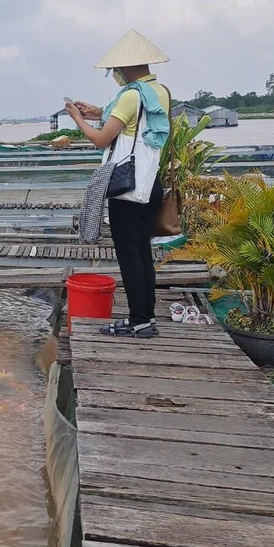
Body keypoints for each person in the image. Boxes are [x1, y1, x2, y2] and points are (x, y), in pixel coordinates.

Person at [65, 29, 172, 338]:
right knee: (142, 253)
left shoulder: (129, 95)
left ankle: (139, 322)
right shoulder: (160, 91)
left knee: (129, 256)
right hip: (150, 184)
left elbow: (101, 140)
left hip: (126, 187)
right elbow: (138, 120)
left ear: (123, 69)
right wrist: (100, 112)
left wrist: (78, 119)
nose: (115, 75)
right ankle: (145, 317)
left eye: (114, 71)